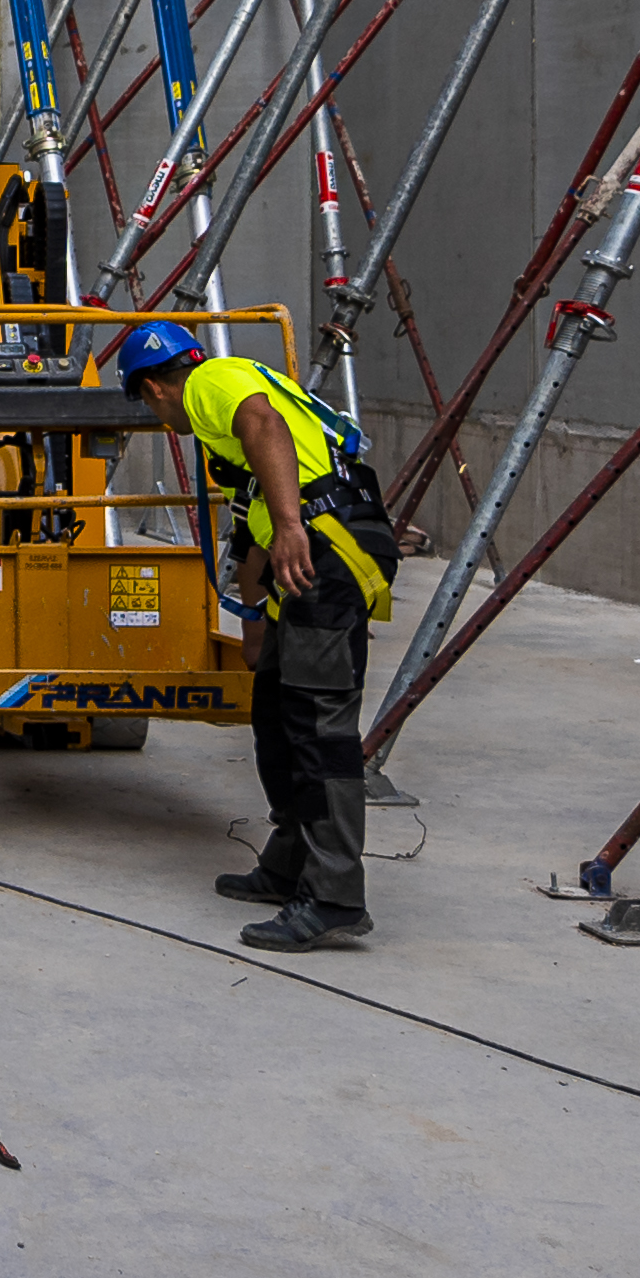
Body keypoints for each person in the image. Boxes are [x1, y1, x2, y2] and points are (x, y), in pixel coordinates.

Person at [113, 319, 389, 949]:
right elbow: (253, 514)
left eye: (150, 407)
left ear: (155, 388)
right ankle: (289, 866)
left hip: (327, 551)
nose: (161, 420)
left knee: (319, 727)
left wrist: (291, 525)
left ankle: (336, 897)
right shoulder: (225, 410)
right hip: (308, 560)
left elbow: (264, 428)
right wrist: (257, 614)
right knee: (278, 711)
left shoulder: (213, 382)